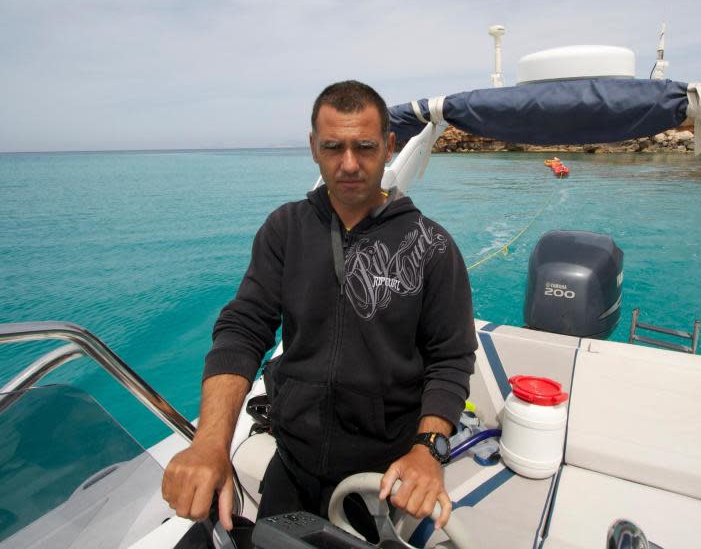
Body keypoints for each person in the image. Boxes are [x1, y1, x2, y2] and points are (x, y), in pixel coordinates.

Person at [162, 80, 477, 536]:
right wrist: (209, 441)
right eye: (333, 147)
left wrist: (428, 449)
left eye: (364, 147)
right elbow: (244, 330)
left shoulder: (431, 246)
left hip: (385, 476)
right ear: (313, 147)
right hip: (293, 462)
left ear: (389, 147)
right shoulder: (285, 230)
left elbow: (450, 357)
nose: (349, 164)